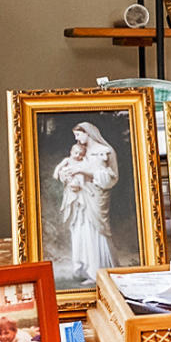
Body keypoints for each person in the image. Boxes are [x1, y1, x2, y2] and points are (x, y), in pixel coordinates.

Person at [52, 119, 122, 283]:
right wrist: (66, 177)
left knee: (95, 230)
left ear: (87, 133)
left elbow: (111, 178)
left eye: (78, 135)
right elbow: (66, 170)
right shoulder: (79, 151)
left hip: (95, 196)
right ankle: (85, 269)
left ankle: (98, 270)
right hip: (78, 198)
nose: (77, 139)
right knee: (80, 228)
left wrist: (83, 170)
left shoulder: (105, 151)